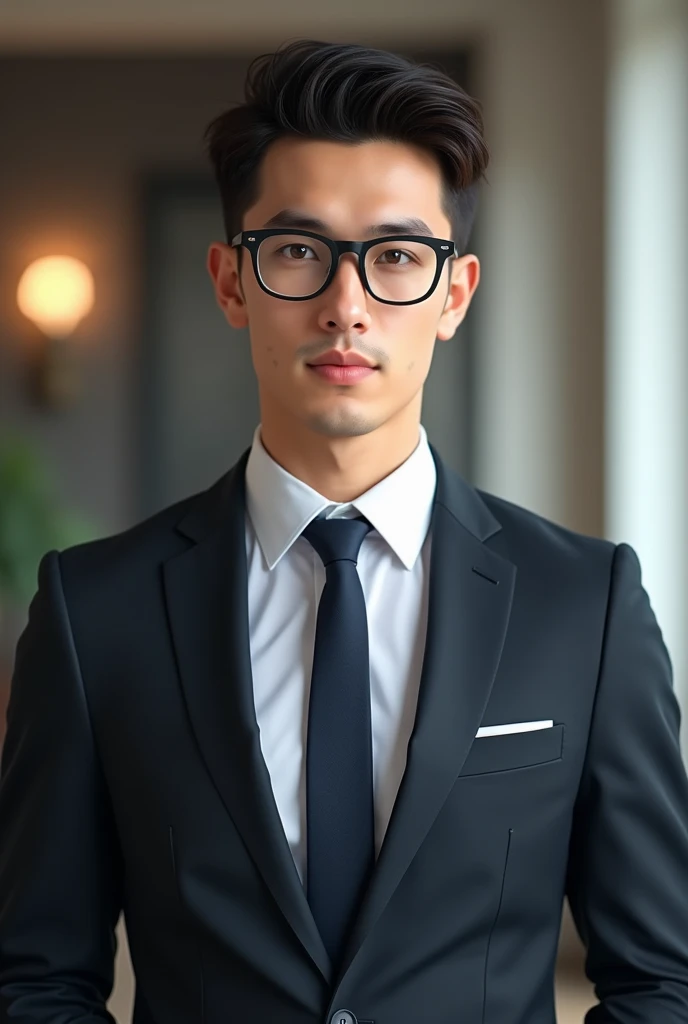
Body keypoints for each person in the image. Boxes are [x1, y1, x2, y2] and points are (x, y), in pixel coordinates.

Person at [1, 38, 688, 1024]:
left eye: (397, 255)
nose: (345, 305)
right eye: (297, 251)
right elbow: (36, 977)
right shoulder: (94, 609)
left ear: (452, 294)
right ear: (232, 281)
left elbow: (661, 978)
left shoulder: (584, 603)